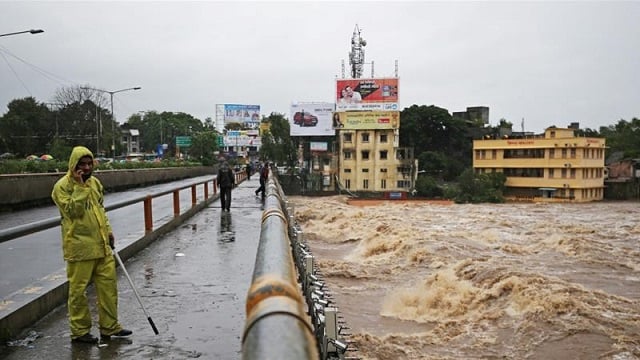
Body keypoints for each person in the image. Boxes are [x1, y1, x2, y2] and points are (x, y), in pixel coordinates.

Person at [51, 146, 132, 344]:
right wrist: (79, 187)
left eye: (89, 164)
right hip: (79, 248)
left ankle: (109, 326)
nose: (86, 168)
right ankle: (79, 331)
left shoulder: (95, 183)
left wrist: (108, 230)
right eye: (82, 165)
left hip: (102, 245)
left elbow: (100, 210)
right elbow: (72, 211)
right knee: (78, 292)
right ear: (74, 165)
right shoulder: (62, 187)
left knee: (108, 288)